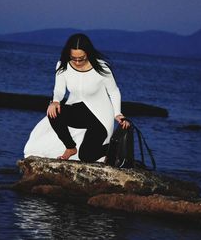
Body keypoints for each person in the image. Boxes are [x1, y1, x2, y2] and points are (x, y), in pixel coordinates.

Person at [24, 33, 129, 162]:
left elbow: (114, 91)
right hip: (79, 111)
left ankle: (115, 147)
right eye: (74, 58)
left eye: (82, 58)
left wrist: (117, 113)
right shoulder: (62, 66)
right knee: (53, 112)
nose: (78, 62)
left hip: (100, 117)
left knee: (86, 156)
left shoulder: (102, 68)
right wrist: (55, 101)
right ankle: (70, 147)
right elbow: (59, 89)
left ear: (88, 53)